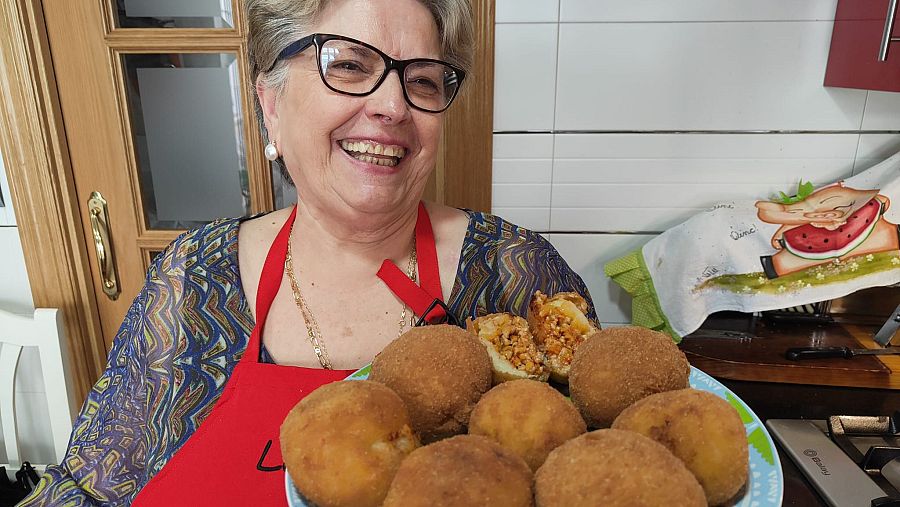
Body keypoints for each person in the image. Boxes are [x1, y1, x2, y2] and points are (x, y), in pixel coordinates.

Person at [19, 0, 596, 504]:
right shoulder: (193, 278)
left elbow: (587, 470)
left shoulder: (516, 275)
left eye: (422, 81)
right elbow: (89, 488)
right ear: (271, 103)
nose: (393, 106)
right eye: (349, 65)